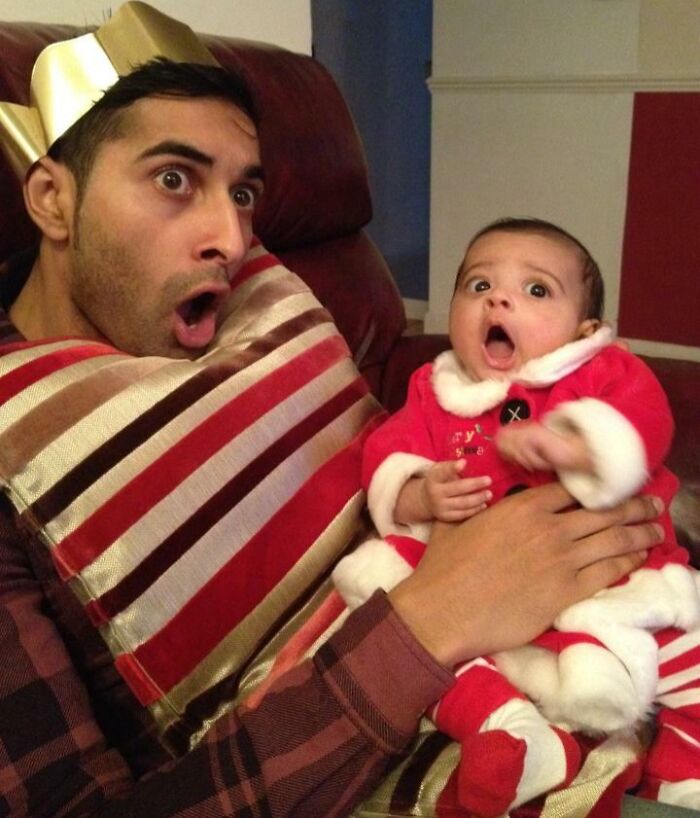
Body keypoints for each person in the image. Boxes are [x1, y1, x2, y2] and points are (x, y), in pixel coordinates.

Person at [0, 6, 663, 818]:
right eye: (174, 179)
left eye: (244, 193)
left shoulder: (251, 292)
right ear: (52, 198)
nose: (233, 239)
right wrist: (433, 618)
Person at [333, 218, 700, 816]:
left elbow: (646, 419)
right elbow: (388, 452)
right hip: (481, 602)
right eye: (479, 285)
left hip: (617, 584)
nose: (499, 299)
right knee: (411, 644)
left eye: (536, 290)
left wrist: (577, 448)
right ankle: (510, 732)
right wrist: (418, 493)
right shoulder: (434, 390)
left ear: (584, 330)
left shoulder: (599, 372)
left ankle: (682, 776)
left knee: (692, 662)